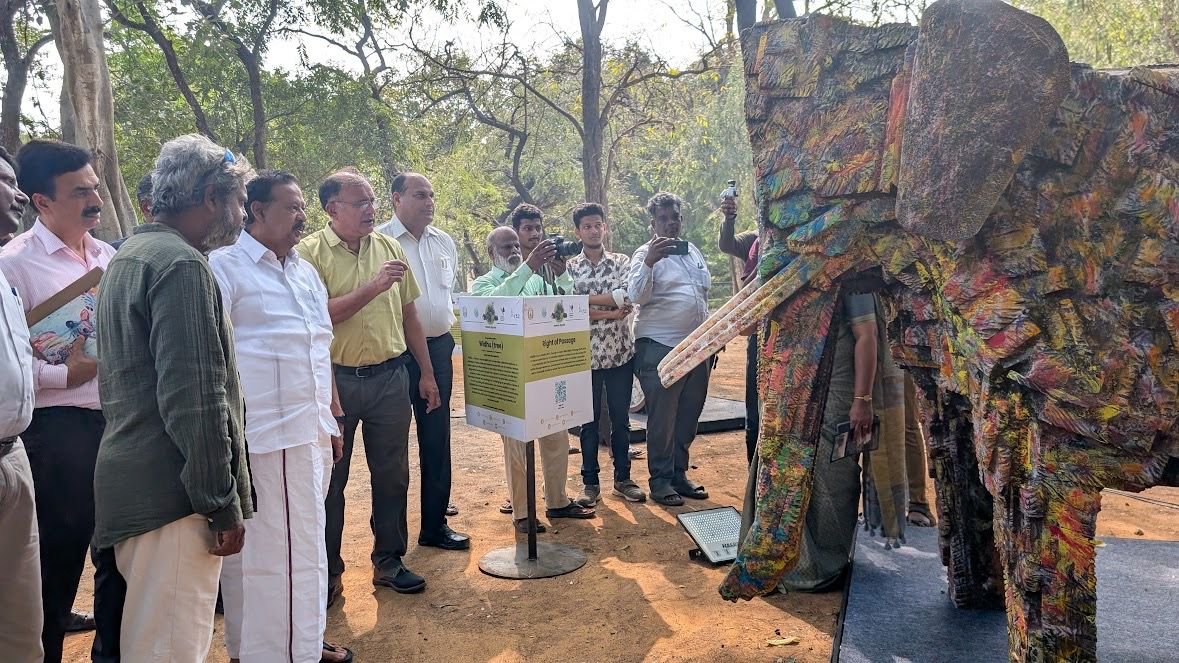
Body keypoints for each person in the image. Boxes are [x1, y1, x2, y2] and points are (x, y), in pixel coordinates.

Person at [93, 134, 254, 662]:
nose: (243, 212)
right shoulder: (180, 265)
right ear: (211, 197)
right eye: (238, 199)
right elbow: (196, 399)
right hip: (173, 497)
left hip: (139, 485)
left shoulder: (133, 253)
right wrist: (219, 500)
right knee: (170, 649)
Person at [210, 170, 352, 663]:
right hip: (262, 441)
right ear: (256, 211)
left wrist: (330, 416)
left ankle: (302, 646)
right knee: (266, 559)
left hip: (309, 435)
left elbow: (318, 349)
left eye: (301, 207)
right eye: (290, 207)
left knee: (305, 553)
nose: (301, 216)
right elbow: (213, 360)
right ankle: (269, 653)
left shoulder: (305, 273)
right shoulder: (224, 269)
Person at [0, 139, 119, 663]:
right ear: (41, 202)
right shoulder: (14, 265)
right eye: (79, 193)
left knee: (116, 551)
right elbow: (11, 368)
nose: (94, 200)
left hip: (114, 421)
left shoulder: (108, 255)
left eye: (94, 187)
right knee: (54, 561)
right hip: (55, 433)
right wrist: (65, 374)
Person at [298, 168, 441, 602]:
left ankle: (389, 560)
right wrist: (375, 286)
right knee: (329, 481)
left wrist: (428, 373)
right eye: (359, 203)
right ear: (331, 209)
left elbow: (410, 314)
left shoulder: (388, 246)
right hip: (335, 383)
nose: (369, 209)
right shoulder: (308, 254)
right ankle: (328, 573)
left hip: (390, 379)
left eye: (371, 201)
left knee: (392, 474)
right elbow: (317, 317)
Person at [743, 288, 908, 592]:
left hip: (835, 395)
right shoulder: (788, 274)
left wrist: (863, 399)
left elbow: (867, 336)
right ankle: (780, 561)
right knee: (779, 473)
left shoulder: (850, 276)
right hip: (788, 398)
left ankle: (823, 566)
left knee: (833, 478)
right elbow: (747, 326)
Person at [471, 222, 595, 532]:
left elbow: (567, 305)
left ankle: (557, 501)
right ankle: (523, 514)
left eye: (516, 246)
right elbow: (497, 304)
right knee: (516, 447)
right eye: (506, 247)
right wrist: (528, 267)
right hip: (510, 378)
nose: (514, 251)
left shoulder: (537, 281)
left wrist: (561, 272)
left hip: (543, 371)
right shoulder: (484, 283)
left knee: (556, 436)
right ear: (490, 253)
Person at [377, 172, 468, 550]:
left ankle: (434, 526)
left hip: (440, 350)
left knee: (436, 440)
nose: (429, 201)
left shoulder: (444, 241)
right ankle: (391, 544)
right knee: (393, 449)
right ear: (397, 199)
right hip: (397, 355)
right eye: (419, 194)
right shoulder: (379, 241)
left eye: (432, 194)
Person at [628, 192, 713, 507]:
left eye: (674, 217)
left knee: (688, 415)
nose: (670, 223)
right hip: (659, 348)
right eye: (663, 219)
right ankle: (660, 481)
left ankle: (679, 475)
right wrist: (650, 261)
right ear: (653, 223)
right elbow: (636, 296)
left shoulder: (693, 252)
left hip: (697, 348)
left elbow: (702, 297)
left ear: (681, 218)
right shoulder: (643, 255)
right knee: (663, 418)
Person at [565, 203, 645, 505]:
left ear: (605, 227)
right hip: (585, 357)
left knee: (621, 420)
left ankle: (623, 479)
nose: (593, 230)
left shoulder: (622, 262)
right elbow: (570, 308)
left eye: (598, 224)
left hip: (621, 354)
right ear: (578, 231)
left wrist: (589, 304)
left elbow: (627, 298)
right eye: (587, 226)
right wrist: (609, 311)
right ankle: (590, 484)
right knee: (588, 421)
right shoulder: (570, 268)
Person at [0, 144, 42, 663]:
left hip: (14, 456)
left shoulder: (4, 278)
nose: (16, 197)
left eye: (13, 182)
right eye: (2, 182)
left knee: (20, 629)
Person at [718, 194, 760, 463]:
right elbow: (726, 244)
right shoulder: (756, 239)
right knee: (754, 410)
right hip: (759, 335)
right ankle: (753, 476)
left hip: (792, 337)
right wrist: (729, 219)